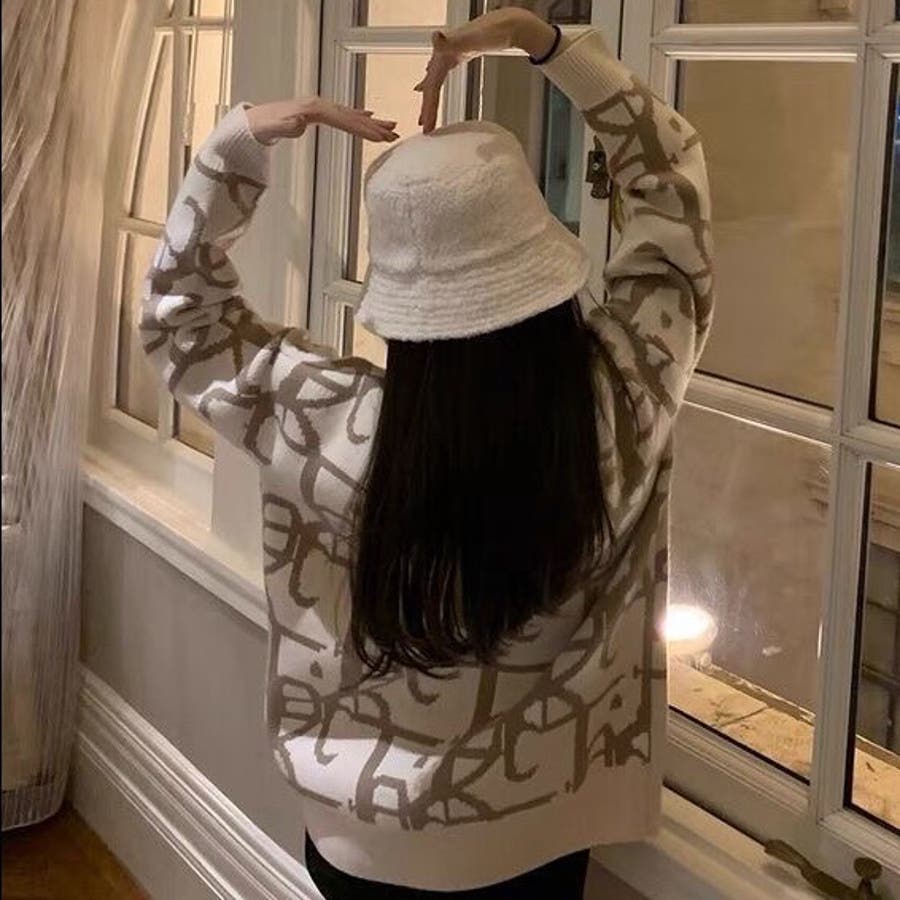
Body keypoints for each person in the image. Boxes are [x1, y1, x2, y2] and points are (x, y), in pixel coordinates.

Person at [140, 6, 713, 898]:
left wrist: (239, 143)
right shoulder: (620, 404)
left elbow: (183, 317)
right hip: (543, 831)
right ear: (544, 263)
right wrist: (544, 43)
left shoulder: (329, 425)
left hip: (362, 837)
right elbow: (672, 193)